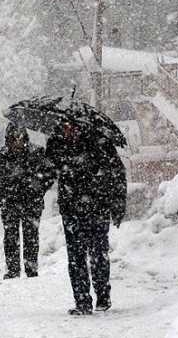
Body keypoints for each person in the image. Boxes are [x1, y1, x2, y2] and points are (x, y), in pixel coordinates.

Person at [46, 122, 127, 315]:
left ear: (80, 126)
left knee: (98, 253)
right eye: (64, 126)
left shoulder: (99, 142)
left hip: (97, 207)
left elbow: (117, 173)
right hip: (71, 209)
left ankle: (102, 295)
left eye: (71, 126)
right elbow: (48, 173)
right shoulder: (57, 144)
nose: (68, 130)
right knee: (76, 257)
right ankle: (82, 300)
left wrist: (117, 205)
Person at [0, 123, 54, 279]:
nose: (17, 142)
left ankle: (31, 268)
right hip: (10, 202)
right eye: (14, 138)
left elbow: (50, 173)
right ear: (8, 139)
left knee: (31, 235)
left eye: (20, 138)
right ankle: (13, 270)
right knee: (11, 236)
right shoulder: (0, 156)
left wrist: (39, 188)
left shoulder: (37, 153)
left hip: (31, 202)